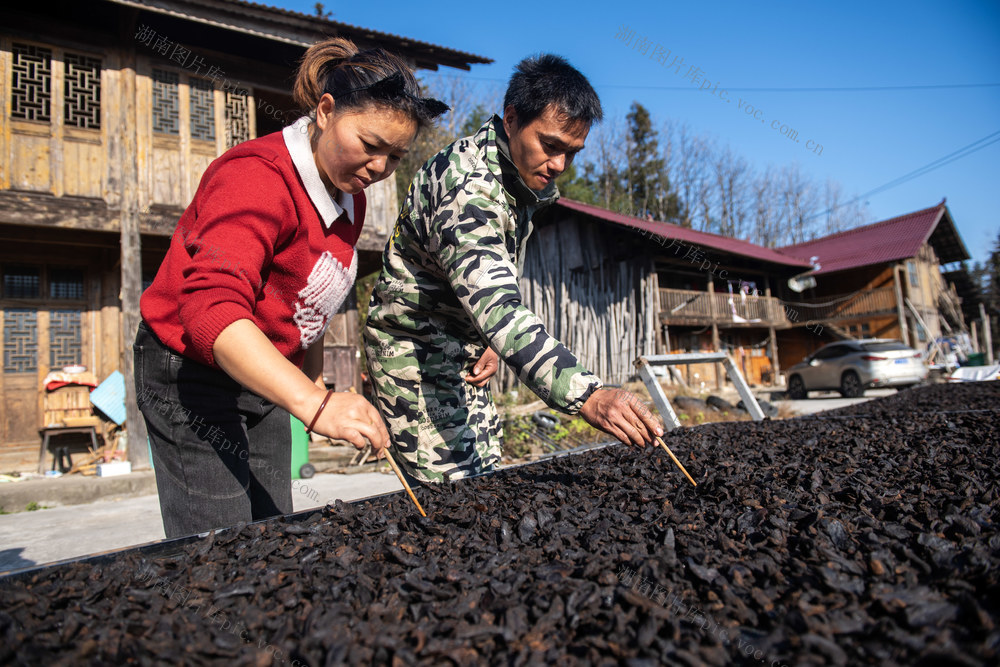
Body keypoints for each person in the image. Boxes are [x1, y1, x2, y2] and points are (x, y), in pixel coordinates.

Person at [134, 37, 448, 538]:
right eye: (370, 145)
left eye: (395, 156)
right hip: (192, 368)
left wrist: (315, 384)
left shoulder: (350, 193)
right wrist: (313, 404)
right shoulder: (256, 178)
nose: (378, 169)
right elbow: (210, 312)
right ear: (325, 111)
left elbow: (311, 299)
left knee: (274, 528)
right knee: (219, 549)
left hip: (262, 373)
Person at [364, 54, 663, 485]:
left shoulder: (517, 181)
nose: (560, 165)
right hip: (416, 354)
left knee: (484, 475)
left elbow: (484, 279)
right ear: (510, 119)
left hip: (465, 353)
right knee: (451, 493)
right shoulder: (468, 186)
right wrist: (589, 396)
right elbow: (499, 308)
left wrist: (486, 335)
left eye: (572, 153)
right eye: (551, 145)